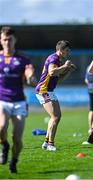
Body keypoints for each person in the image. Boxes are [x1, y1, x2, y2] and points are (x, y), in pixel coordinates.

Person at [0, 26, 37, 173]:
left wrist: (31, 76)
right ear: (1, 41)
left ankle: (14, 159)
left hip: (19, 101)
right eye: (4, 39)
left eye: (10, 39)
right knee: (1, 127)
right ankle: (4, 144)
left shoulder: (23, 59)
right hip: (2, 100)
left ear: (15, 40)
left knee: (17, 138)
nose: (7, 42)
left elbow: (31, 80)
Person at [35, 40, 76, 151]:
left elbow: (59, 79)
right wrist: (65, 66)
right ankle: (50, 144)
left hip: (49, 90)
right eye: (66, 50)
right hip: (44, 90)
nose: (68, 53)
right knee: (56, 117)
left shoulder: (58, 60)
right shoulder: (53, 58)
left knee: (55, 117)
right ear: (60, 50)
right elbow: (52, 72)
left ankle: (46, 142)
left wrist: (68, 71)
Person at [82, 61, 93, 144]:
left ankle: (91, 129)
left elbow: (86, 80)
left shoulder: (89, 67)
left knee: (92, 110)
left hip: (90, 89)